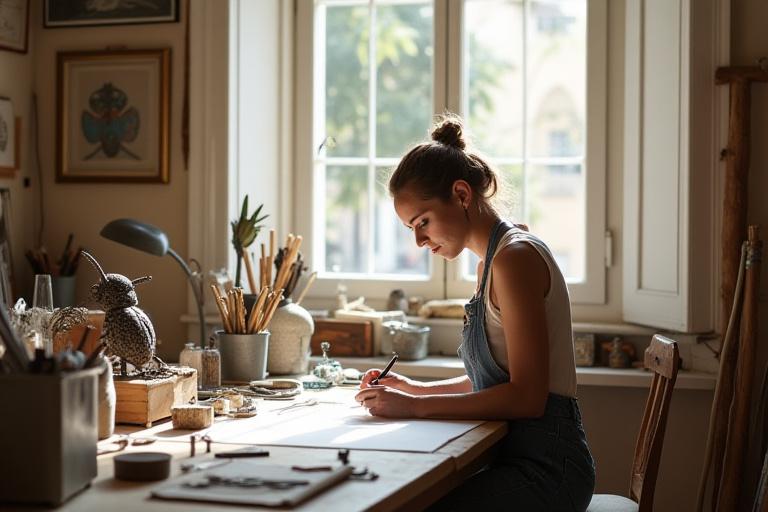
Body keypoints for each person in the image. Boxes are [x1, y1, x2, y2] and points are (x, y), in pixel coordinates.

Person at [355, 114, 595, 511]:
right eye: (410, 228)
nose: (418, 240)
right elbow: (492, 382)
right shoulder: (490, 263)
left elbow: (528, 398)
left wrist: (415, 408)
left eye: (423, 222)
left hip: (550, 469)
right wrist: (413, 389)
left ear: (462, 195)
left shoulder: (515, 258)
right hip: (516, 455)